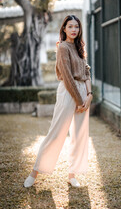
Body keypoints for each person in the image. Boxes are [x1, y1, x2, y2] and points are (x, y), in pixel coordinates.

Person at [24, 15, 93, 188]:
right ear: (64, 29)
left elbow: (86, 72)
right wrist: (78, 100)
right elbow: (68, 77)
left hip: (84, 92)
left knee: (79, 135)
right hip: (69, 93)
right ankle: (35, 172)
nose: (74, 30)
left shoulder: (79, 47)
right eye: (70, 26)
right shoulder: (63, 47)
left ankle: (72, 175)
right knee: (56, 132)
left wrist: (89, 95)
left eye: (76, 26)